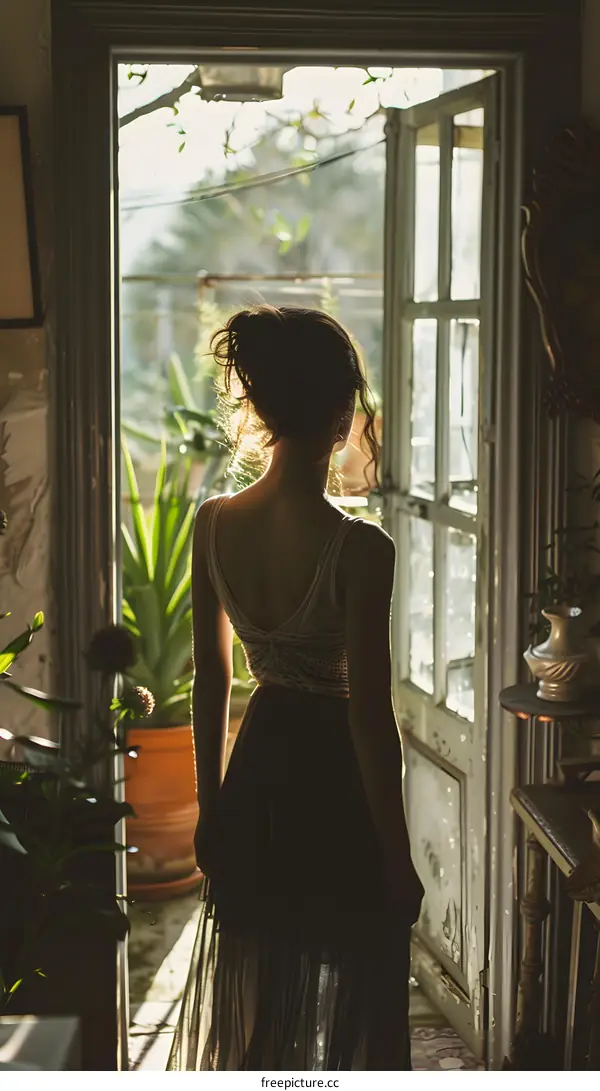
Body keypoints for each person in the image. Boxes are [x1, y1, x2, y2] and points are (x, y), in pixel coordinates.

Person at [168, 305, 424, 1072]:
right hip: (334, 782)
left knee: (259, 989)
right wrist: (396, 853)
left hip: (258, 773)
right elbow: (371, 719)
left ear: (265, 409)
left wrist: (211, 811)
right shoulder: (360, 548)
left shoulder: (212, 524)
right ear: (345, 416)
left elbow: (210, 680)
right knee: (356, 993)